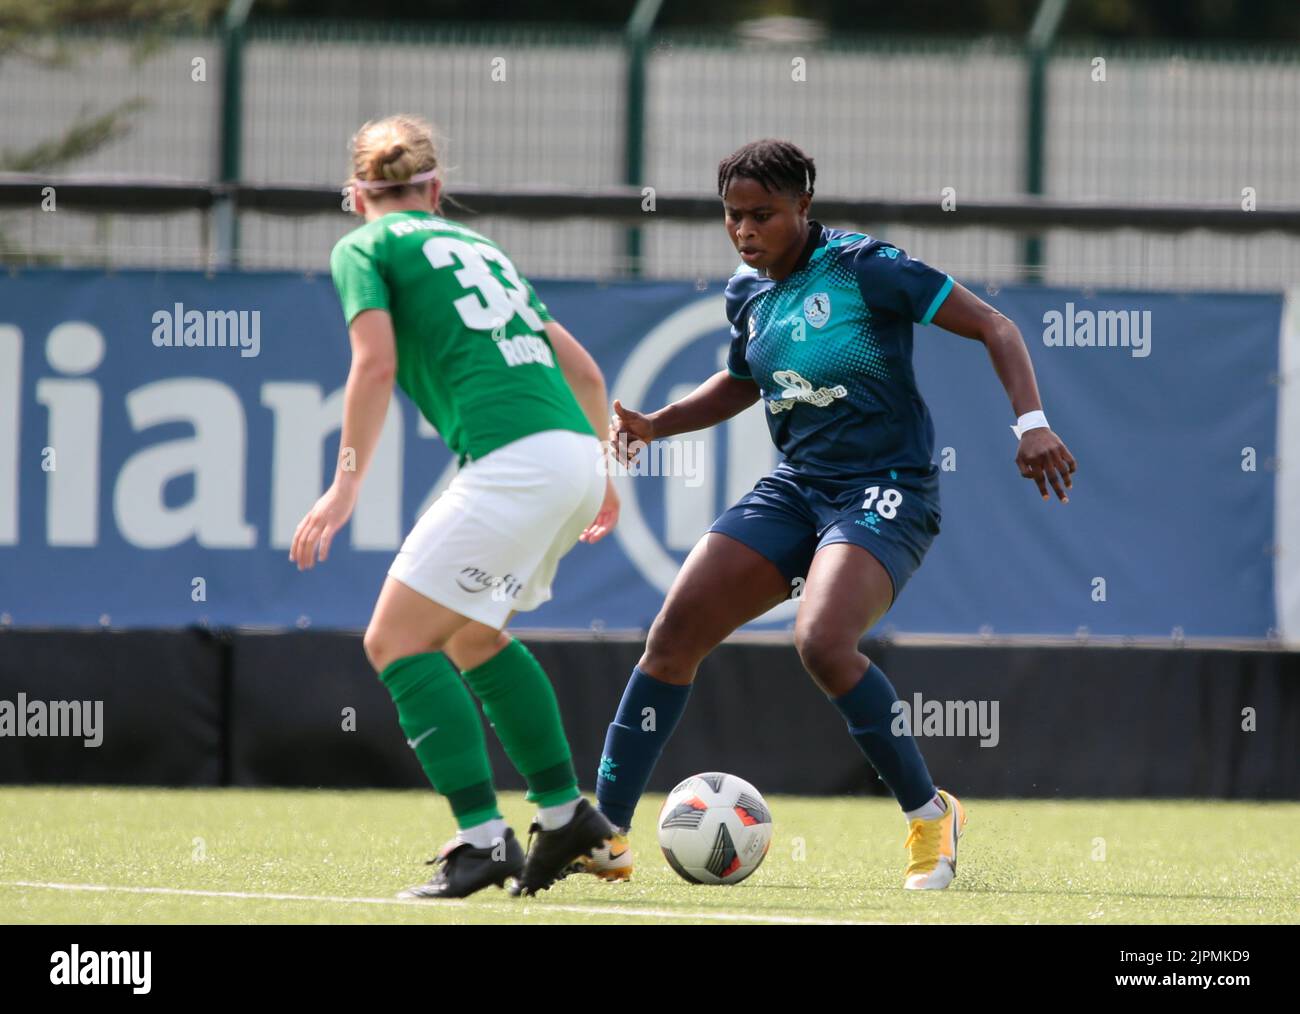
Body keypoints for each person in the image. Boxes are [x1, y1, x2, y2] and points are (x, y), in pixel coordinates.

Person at [577, 138, 1076, 890]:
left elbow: (995, 327)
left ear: (804, 207)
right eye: (733, 217)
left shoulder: (866, 267)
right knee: (674, 635)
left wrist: (1029, 422)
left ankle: (928, 814)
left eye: (764, 215)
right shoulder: (747, 292)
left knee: (822, 642)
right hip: (798, 486)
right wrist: (657, 422)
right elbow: (743, 381)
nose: (746, 232)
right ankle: (605, 836)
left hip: (889, 487)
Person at [290, 113, 619, 899]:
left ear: (354, 194)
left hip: (517, 463)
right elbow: (587, 374)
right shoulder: (482, 248)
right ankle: (567, 816)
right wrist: (603, 471)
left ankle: (482, 842)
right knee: (473, 636)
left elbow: (373, 367)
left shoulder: (363, 246)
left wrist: (344, 483)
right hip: (569, 455)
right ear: (435, 189)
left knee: (395, 643)